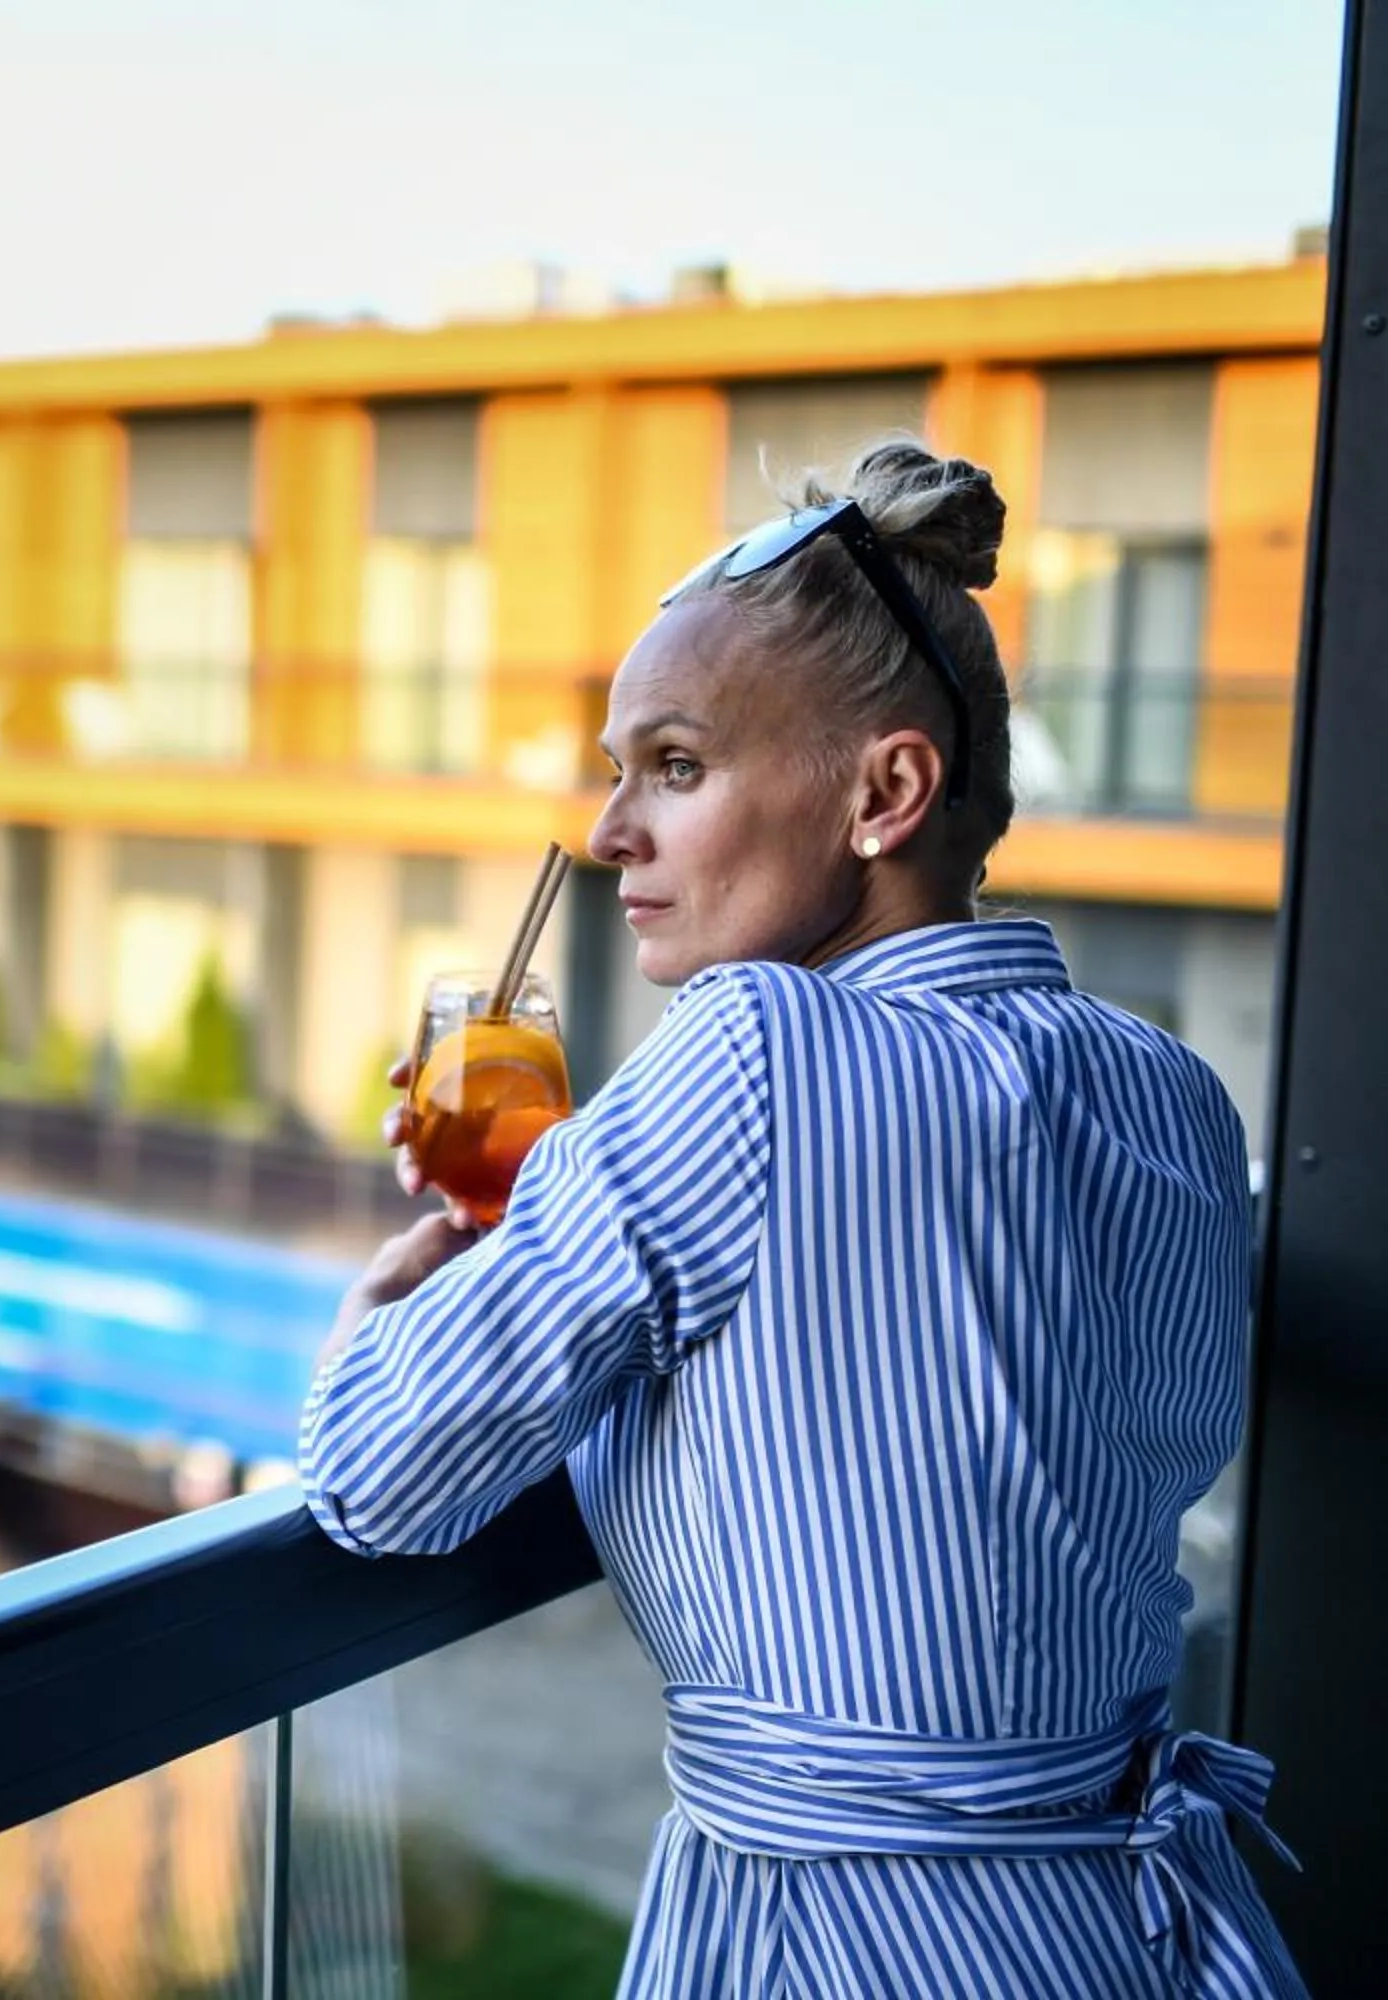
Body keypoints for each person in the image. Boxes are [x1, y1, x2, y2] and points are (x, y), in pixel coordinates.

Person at [297, 439, 1306, 1999]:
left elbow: (378, 1474)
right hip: (1133, 1934)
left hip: (846, 1947)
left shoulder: (754, 1052)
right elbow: (968, 1433)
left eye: (677, 767)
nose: (613, 829)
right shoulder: (1172, 1096)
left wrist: (404, 1291)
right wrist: (574, 1209)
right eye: (617, 768)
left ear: (884, 792)